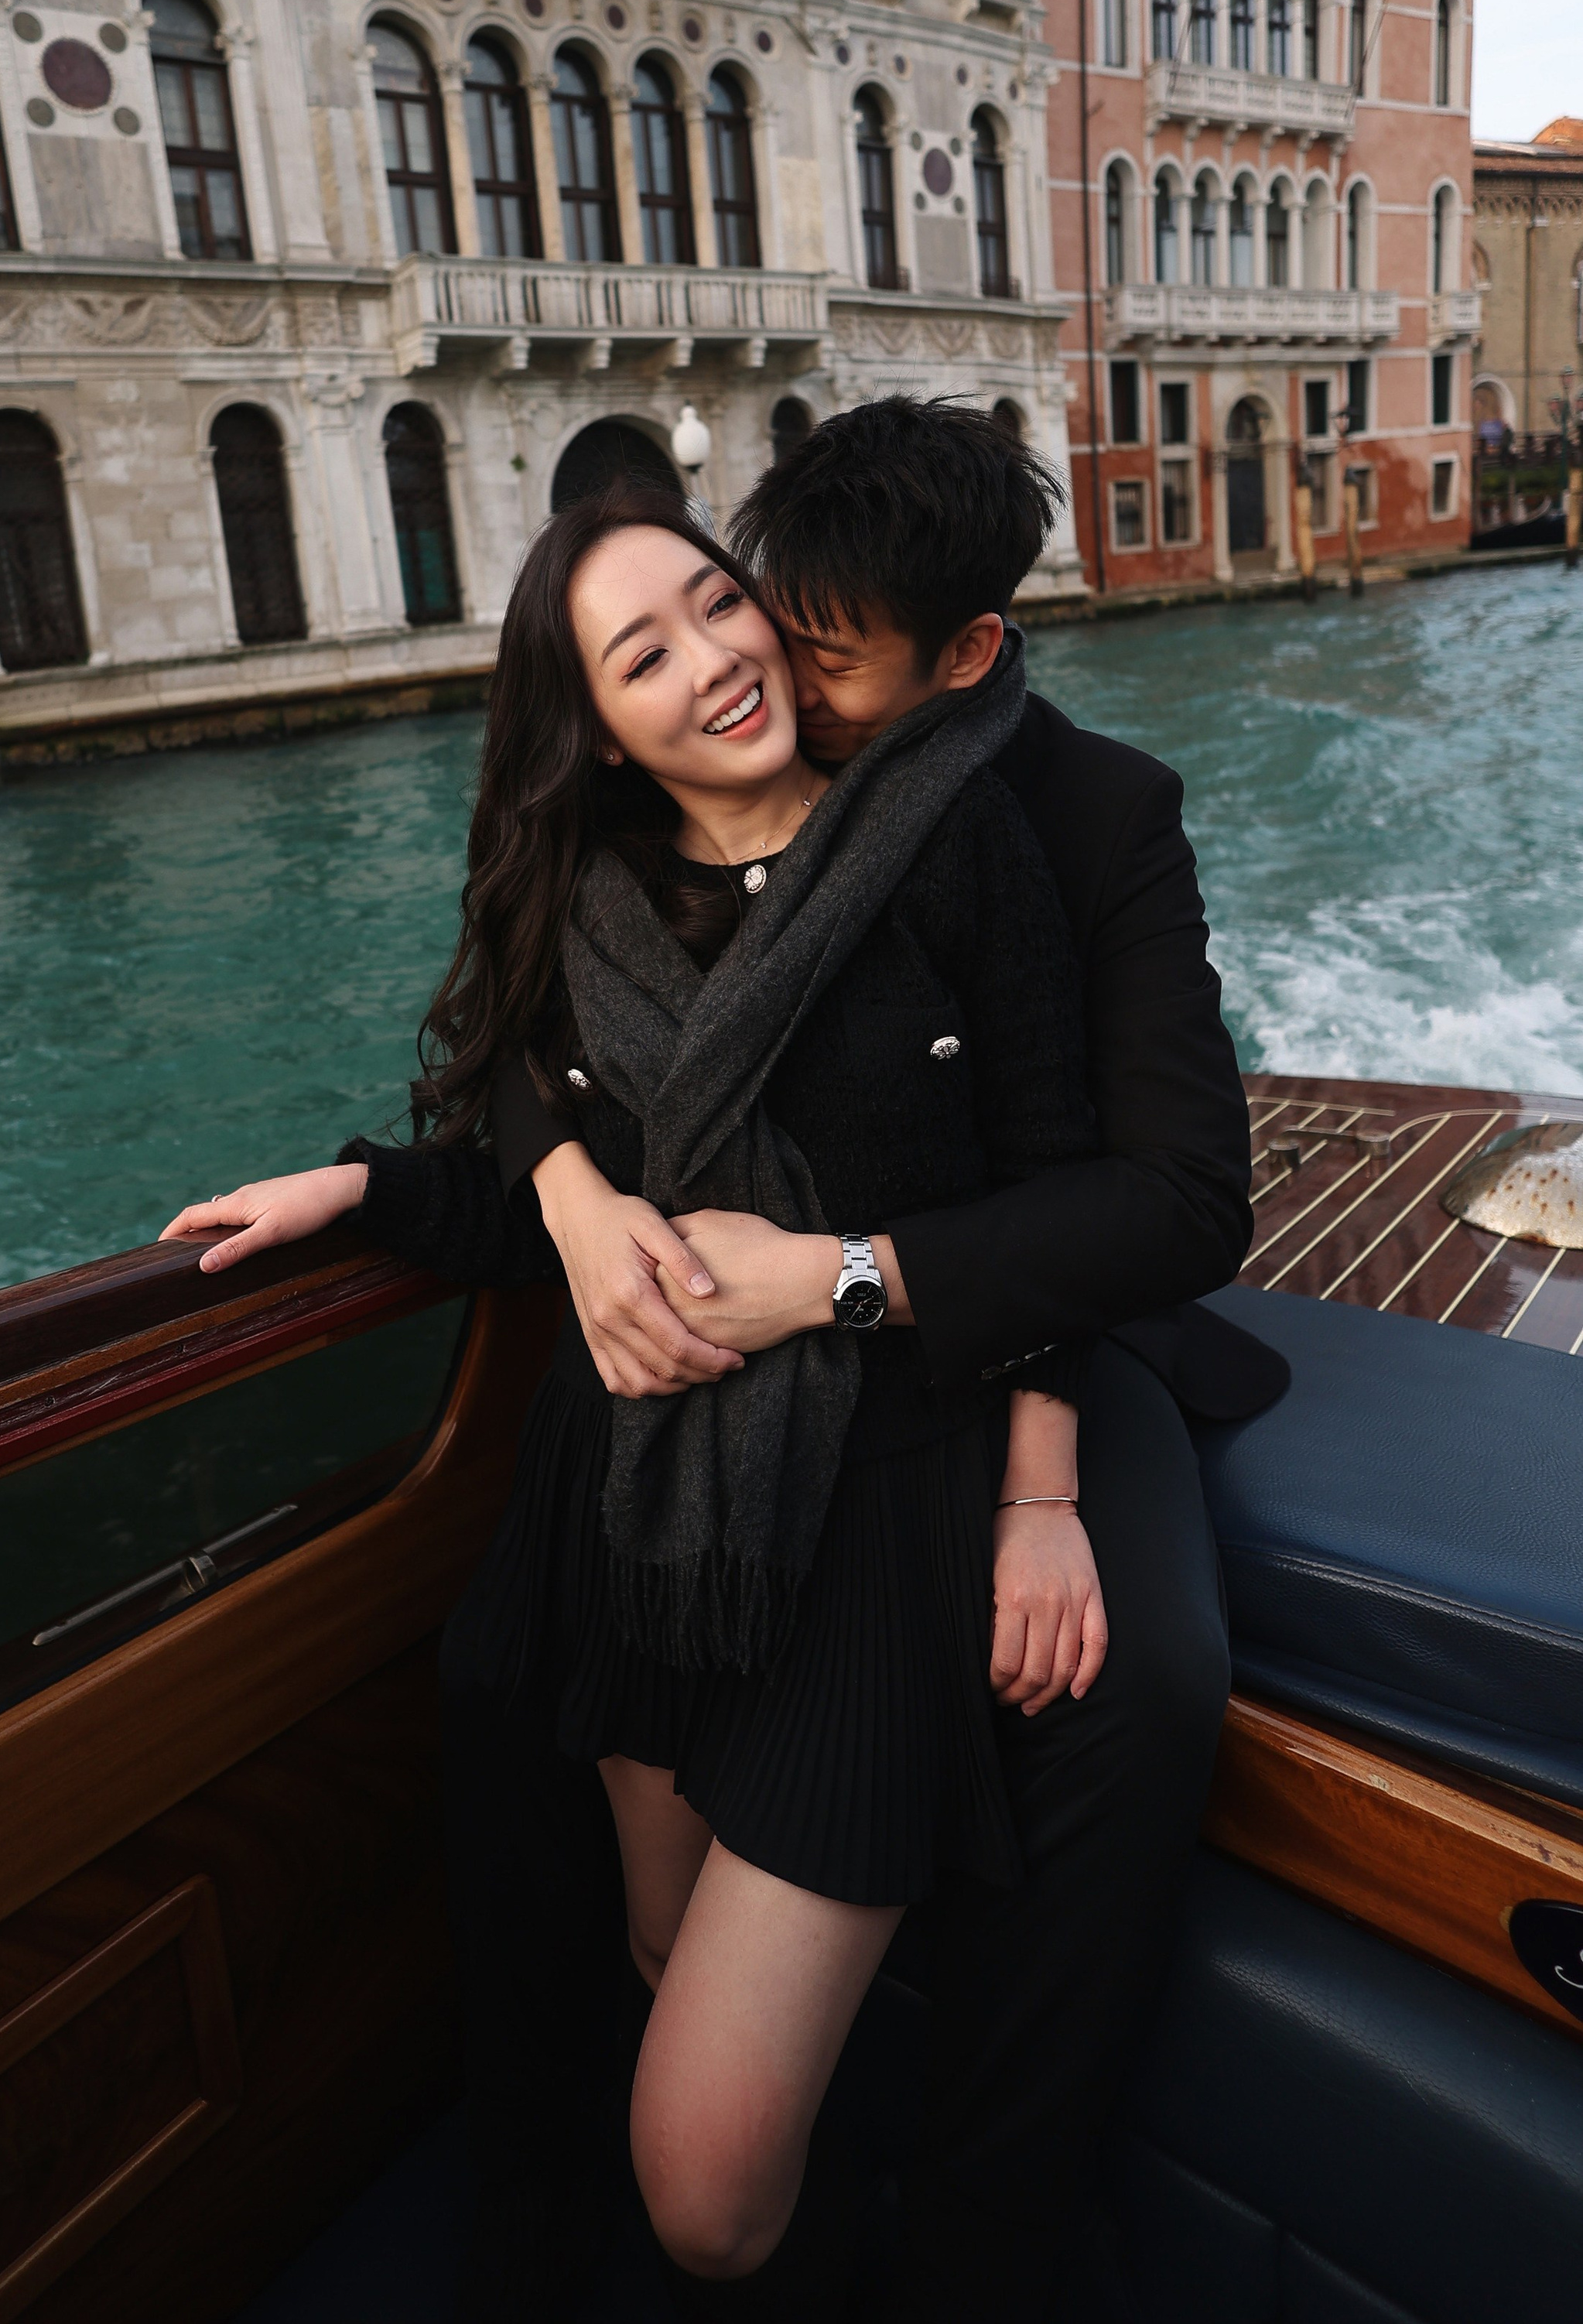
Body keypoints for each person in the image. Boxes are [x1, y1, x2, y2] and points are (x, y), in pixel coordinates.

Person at [165, 460, 1117, 2314]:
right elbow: (536, 1150)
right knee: (665, 1949)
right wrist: (359, 1186)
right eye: (639, 654)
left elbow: (1061, 1189)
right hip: (646, 1523)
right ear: (597, 733)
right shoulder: (591, 909)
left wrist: (1041, 1495)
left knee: (697, 2177)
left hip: (874, 1515)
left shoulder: (949, 835)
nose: (708, 660)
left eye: (711, 603)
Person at [469, 396, 1264, 2318]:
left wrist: (1007, 1451)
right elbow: (512, 1020)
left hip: (1032, 1317)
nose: (762, 675)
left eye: (812, 653)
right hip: (752, 1413)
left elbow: (1154, 1200)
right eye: (744, 615)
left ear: (967, 652)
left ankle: (997, 2231)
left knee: (1135, 1683)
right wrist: (569, 1198)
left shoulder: (1072, 815)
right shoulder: (651, 836)